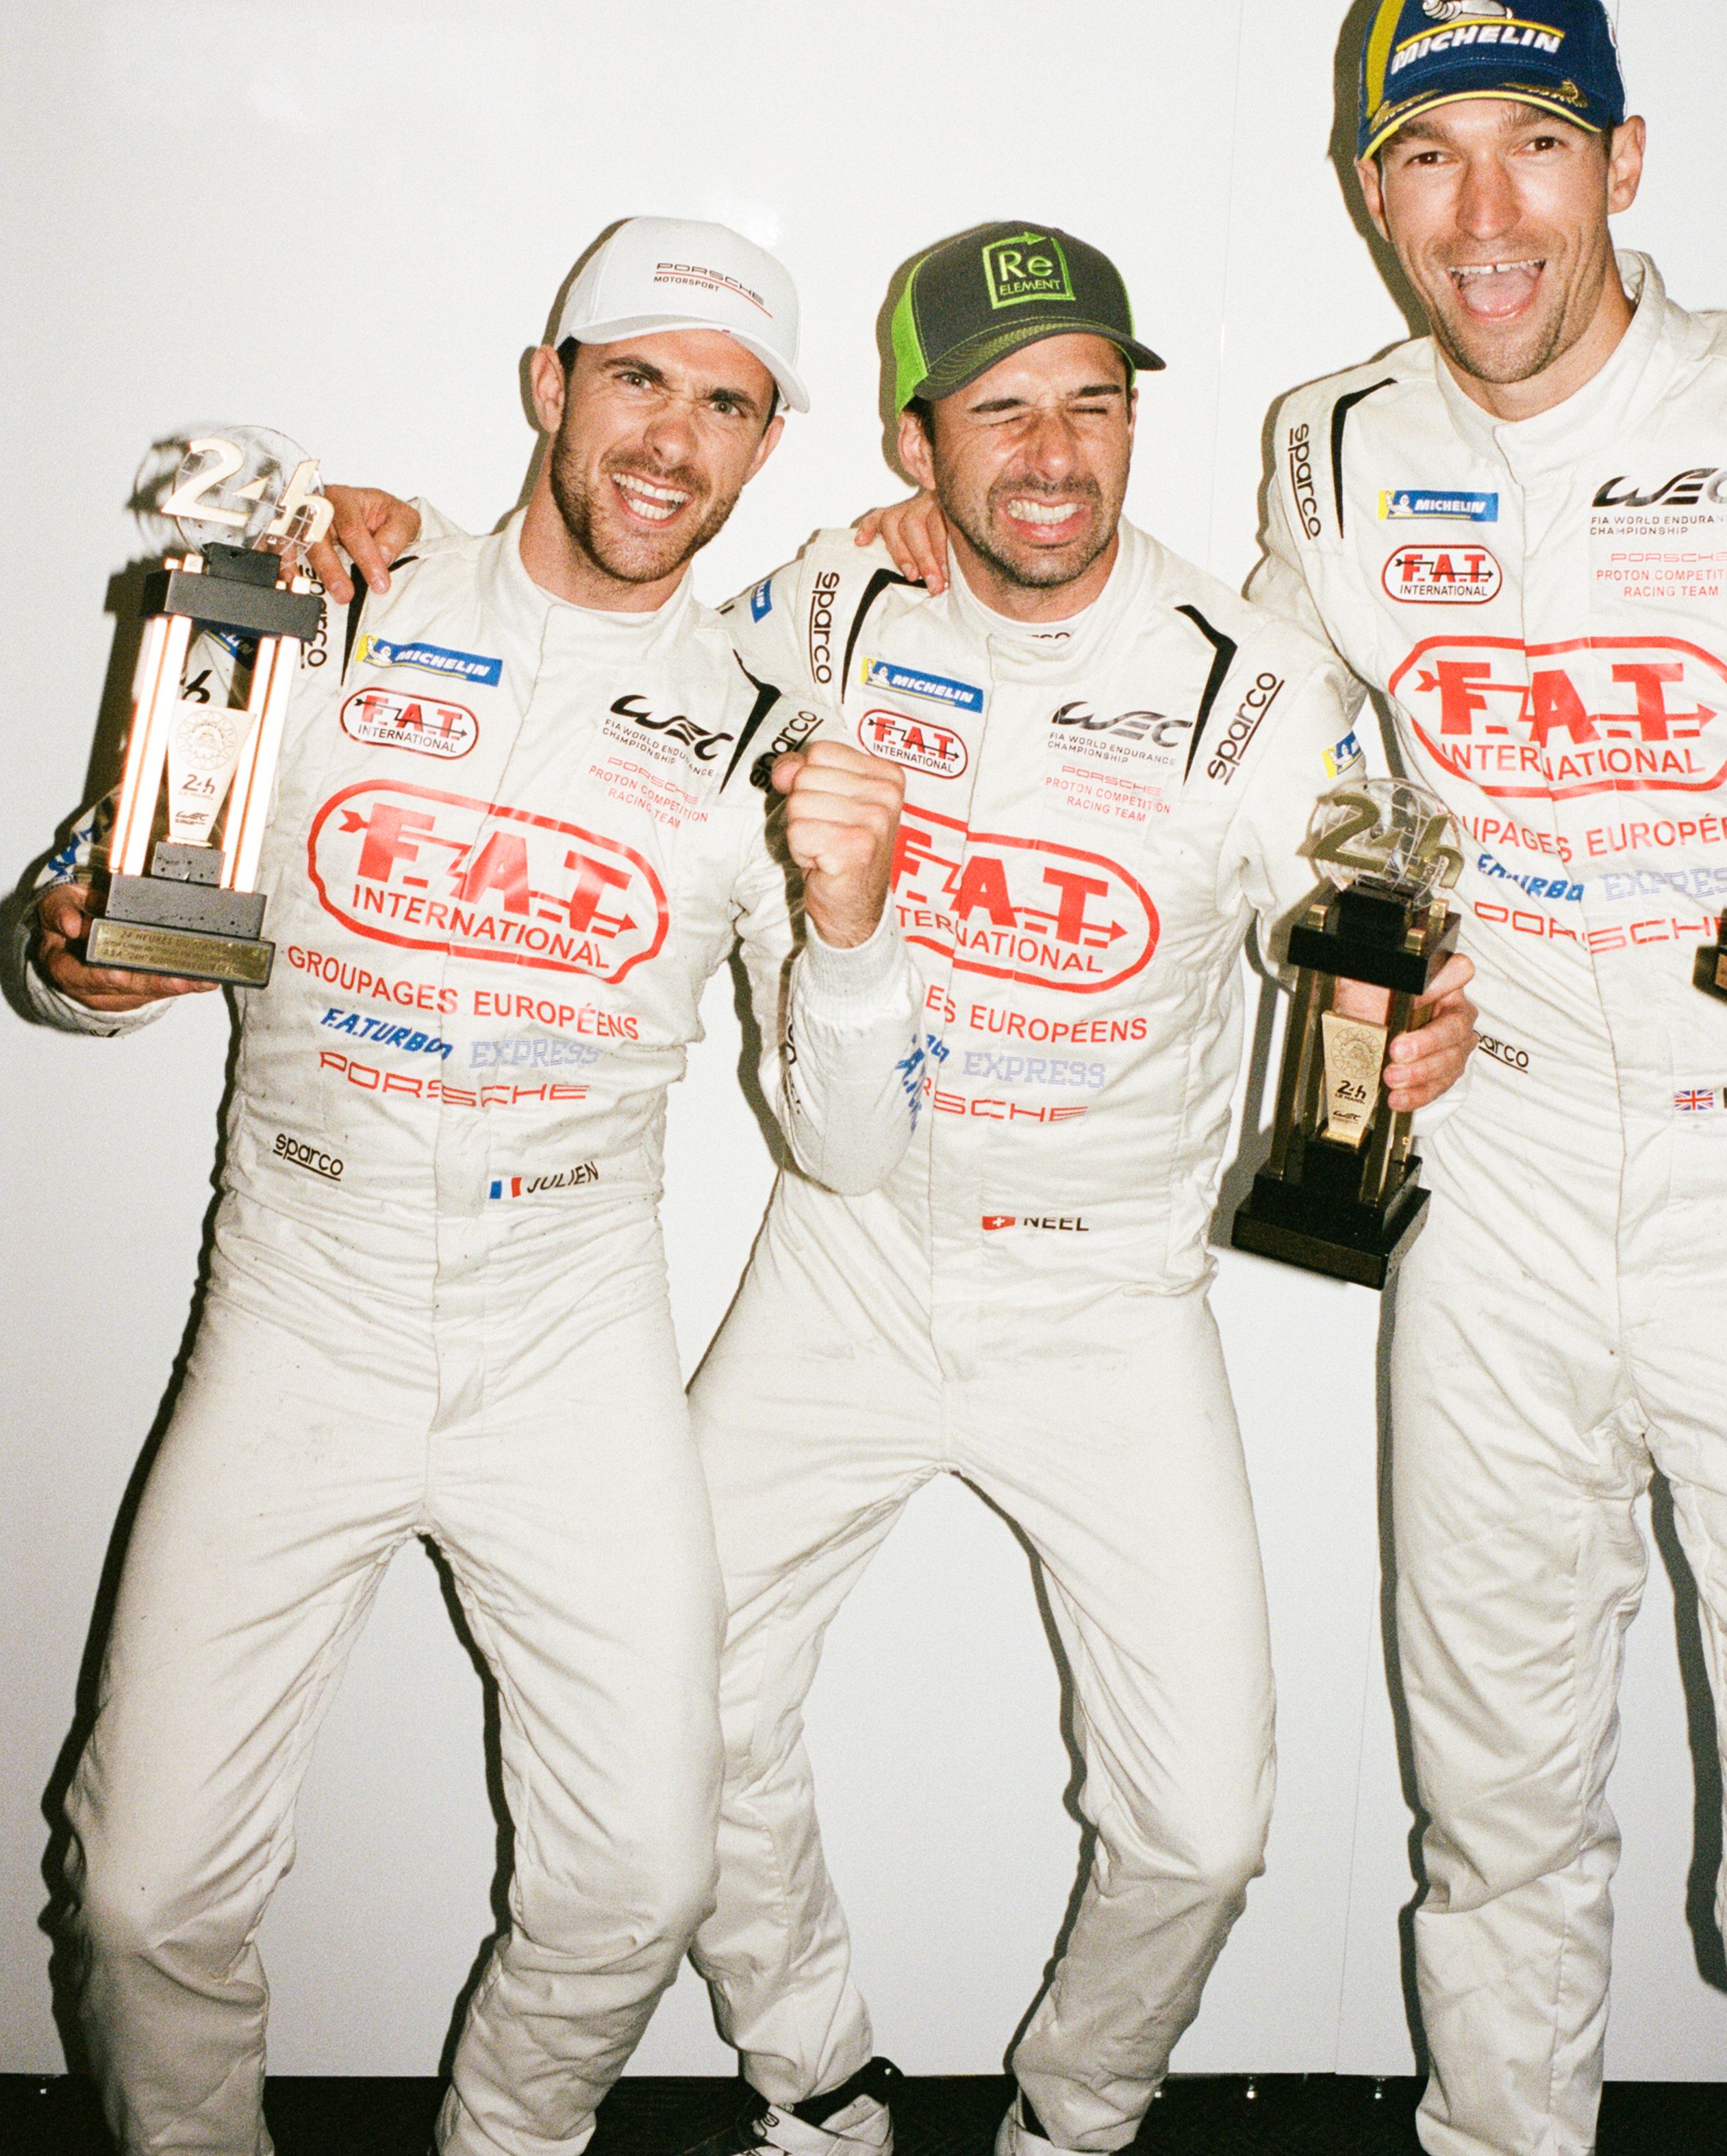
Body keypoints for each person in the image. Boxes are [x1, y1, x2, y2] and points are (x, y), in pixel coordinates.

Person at [324, 217, 1478, 2156]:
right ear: (914, 441)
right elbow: (584, 610)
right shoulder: (821, 611)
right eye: (1002, 410)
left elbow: (1375, 913)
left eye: (1093, 405)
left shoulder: (1260, 681)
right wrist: (374, 532)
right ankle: (817, 2070)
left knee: (1199, 1822)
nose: (1053, 455)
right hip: (845, 1255)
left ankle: (1078, 2118)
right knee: (677, 1713)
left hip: (1111, 1292)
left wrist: (1422, 1021)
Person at [876, 0, 1727, 2156]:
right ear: (1371, 192)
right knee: (1496, 1808)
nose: (1485, 209)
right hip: (1493, 1185)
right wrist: (924, 577)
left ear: (1625, 160)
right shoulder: (1332, 452)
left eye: (1535, 143)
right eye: (1428, 154)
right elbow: (1256, 738)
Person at [22, 217, 924, 2156]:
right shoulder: (320, 596)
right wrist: (70, 957)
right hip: (299, 1287)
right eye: (635, 380)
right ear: (550, 385)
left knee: (641, 1877)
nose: (672, 439)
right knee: (142, 1884)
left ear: (766, 447)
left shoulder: (781, 716)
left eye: (727, 403)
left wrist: (852, 937)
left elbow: (848, 1144)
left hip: (568, 1323)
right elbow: (94, 913)